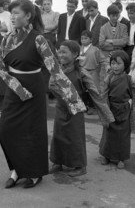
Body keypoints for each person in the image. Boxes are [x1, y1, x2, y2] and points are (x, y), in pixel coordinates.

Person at [0, 0, 86, 189]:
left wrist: (74, 100)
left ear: (28, 16)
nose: (12, 17)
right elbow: (0, 68)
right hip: (15, 90)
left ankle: (34, 173)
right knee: (5, 132)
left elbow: (55, 69)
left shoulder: (39, 39)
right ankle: (17, 169)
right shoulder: (7, 39)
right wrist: (19, 90)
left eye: (16, 13)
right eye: (11, 13)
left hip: (35, 90)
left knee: (32, 133)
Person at [49, 40, 114, 177]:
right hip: (61, 108)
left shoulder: (82, 73)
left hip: (76, 109)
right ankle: (58, 162)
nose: (61, 55)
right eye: (59, 51)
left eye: (64, 52)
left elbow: (95, 93)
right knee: (58, 135)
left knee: (75, 137)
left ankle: (80, 166)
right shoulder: (57, 70)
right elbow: (51, 86)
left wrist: (106, 116)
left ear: (75, 54)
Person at [99, 50, 135, 169]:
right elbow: (104, 94)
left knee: (123, 135)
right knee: (109, 134)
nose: (115, 66)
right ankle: (106, 155)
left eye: (118, 64)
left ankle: (121, 157)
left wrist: (133, 109)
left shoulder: (129, 79)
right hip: (111, 109)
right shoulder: (108, 78)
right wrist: (105, 111)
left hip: (125, 111)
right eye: (113, 63)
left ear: (126, 65)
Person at [98, 4, 128, 96]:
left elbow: (124, 42)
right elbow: (101, 44)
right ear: (108, 15)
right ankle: (105, 101)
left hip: (119, 56)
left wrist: (110, 41)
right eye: (113, 16)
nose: (115, 18)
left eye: (117, 15)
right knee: (106, 80)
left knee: (118, 79)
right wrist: (117, 43)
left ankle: (117, 99)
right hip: (107, 57)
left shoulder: (123, 27)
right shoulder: (103, 28)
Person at [79, 30, 101, 115]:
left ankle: (92, 107)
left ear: (91, 40)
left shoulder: (95, 50)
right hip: (82, 72)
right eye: (82, 38)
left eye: (86, 38)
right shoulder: (79, 48)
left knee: (92, 90)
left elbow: (100, 61)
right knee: (83, 90)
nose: (83, 40)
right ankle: (84, 106)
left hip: (92, 72)